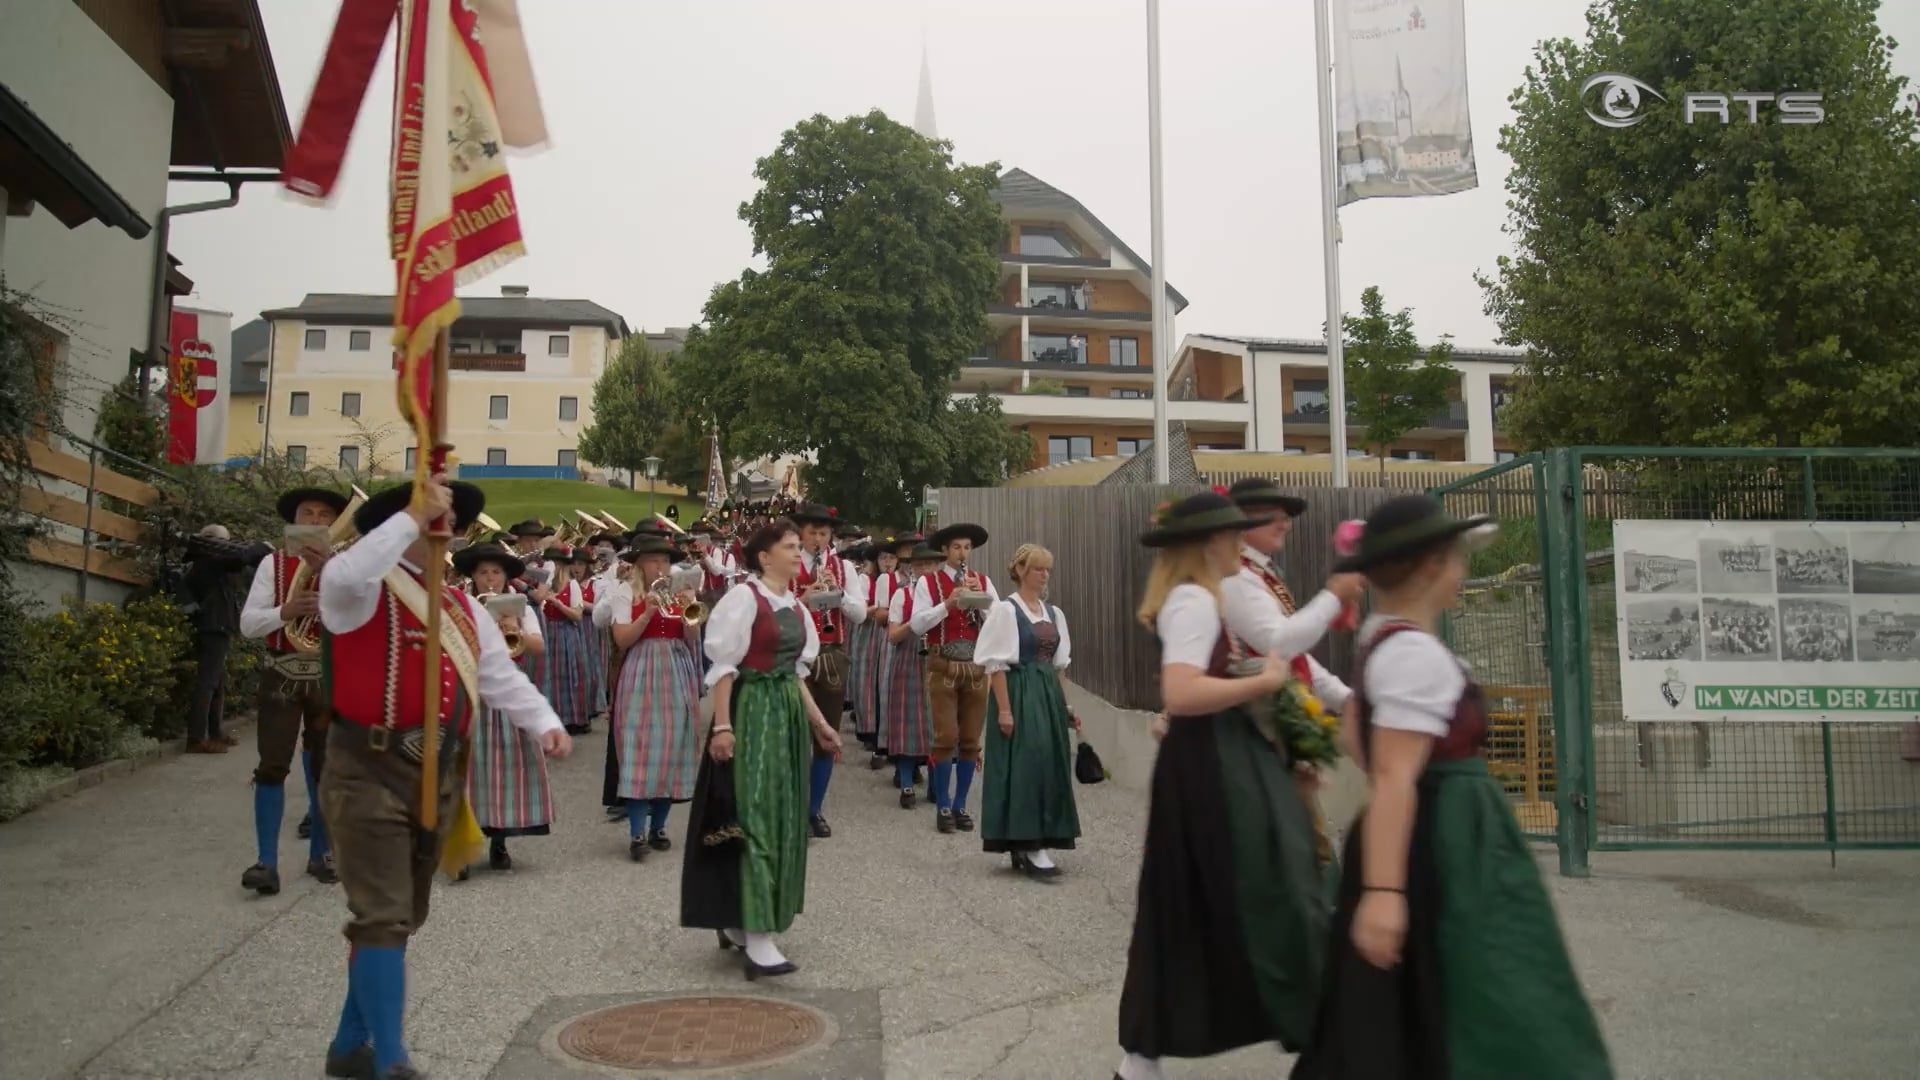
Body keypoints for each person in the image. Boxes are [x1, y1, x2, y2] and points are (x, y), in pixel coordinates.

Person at [1292, 495, 1612, 1079]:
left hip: (1431, 831)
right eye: (1456, 558)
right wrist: (1385, 894)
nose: (1462, 570)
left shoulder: (1380, 638)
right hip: (1441, 838)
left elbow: (1361, 745)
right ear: (1432, 566)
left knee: (1404, 1006)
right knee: (1492, 994)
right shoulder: (1413, 653)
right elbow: (1391, 776)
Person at [316, 475, 571, 1080]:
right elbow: (344, 576)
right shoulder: (359, 588)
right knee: (381, 913)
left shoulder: (460, 606)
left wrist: (545, 723)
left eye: (447, 519)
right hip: (364, 769)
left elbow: (497, 676)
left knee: (402, 912)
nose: (444, 527)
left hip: (434, 772)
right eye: (435, 516)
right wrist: (410, 516)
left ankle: (350, 1046)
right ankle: (391, 1062)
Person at [1114, 491, 1325, 1080]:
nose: (1242, 542)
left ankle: (1141, 1060)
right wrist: (1265, 682)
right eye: (1233, 534)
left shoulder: (1197, 599)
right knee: (1267, 890)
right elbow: (1181, 694)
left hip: (1207, 763)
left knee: (1190, 905)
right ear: (1208, 543)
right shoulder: (1193, 602)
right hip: (1210, 769)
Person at [681, 517, 841, 980]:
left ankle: (741, 918)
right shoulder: (742, 599)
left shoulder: (794, 604)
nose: (798, 552)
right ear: (764, 557)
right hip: (753, 713)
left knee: (785, 814)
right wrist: (723, 727)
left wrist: (821, 727)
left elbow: (795, 673)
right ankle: (756, 931)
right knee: (755, 814)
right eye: (789, 546)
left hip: (786, 714)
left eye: (798, 545)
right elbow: (725, 667)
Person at [1224, 476, 1367, 870]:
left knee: (1303, 836)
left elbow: (1294, 654)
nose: (1285, 523)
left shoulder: (1260, 575)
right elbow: (1278, 643)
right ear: (1241, 524)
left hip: (1280, 722)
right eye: (1274, 515)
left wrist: (1342, 696)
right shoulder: (1235, 577)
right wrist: (1333, 596)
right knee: (1296, 841)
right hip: (1258, 728)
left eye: (1286, 516)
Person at [235, 487, 350, 895]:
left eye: (324, 515)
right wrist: (286, 612)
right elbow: (248, 624)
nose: (316, 521)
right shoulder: (273, 562)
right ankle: (266, 862)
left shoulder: (350, 566)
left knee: (326, 765)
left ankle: (322, 853)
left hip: (328, 675)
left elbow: (365, 623)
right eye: (308, 513)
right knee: (271, 766)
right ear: (295, 519)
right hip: (281, 674)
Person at [976, 543, 1082, 879]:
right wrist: (1005, 711)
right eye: (1038, 568)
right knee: (1025, 765)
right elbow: (996, 666)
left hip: (1047, 694)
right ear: (1021, 570)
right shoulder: (1006, 611)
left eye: (1047, 568)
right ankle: (1029, 842)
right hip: (1019, 692)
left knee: (1051, 763)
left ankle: (1038, 839)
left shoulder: (1054, 613)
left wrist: (1066, 705)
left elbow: (1059, 666)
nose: (1044, 574)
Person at [453, 542, 553, 874]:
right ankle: (465, 848)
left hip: (508, 692)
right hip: (471, 691)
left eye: (496, 572)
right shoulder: (462, 602)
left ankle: (499, 843)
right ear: (473, 576)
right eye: (483, 572)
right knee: (467, 769)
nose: (490, 578)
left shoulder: (519, 606)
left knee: (505, 769)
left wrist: (514, 628)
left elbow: (538, 647)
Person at [609, 535, 703, 861]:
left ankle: (659, 826)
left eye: (664, 561)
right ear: (640, 565)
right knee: (638, 747)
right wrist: (647, 612)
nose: (660, 566)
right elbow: (622, 640)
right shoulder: (624, 593)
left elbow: (692, 636)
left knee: (673, 746)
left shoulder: (679, 591)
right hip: (641, 668)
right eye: (653, 561)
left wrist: (690, 606)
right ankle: (637, 832)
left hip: (677, 666)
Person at [908, 522, 999, 834]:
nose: (963, 553)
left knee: (971, 740)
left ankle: (961, 804)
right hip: (942, 665)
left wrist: (980, 602)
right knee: (946, 737)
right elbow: (917, 624)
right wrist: (948, 604)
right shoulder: (928, 583)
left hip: (975, 667)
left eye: (967, 548)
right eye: (957, 547)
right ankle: (943, 804)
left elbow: (999, 625)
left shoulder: (983, 582)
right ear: (945, 551)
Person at [789, 503, 868, 838]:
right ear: (800, 535)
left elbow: (860, 615)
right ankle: (790, 809)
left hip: (831, 654)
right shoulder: (786, 563)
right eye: (811, 533)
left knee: (825, 738)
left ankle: (814, 809)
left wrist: (837, 596)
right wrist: (804, 598)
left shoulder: (844, 567)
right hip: (793, 655)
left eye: (823, 534)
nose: (817, 540)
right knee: (793, 737)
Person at [179, 524, 266, 753]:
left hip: (217, 627)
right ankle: (197, 739)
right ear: (212, 542)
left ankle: (215, 733)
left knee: (216, 684)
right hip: (213, 627)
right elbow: (242, 557)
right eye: (224, 542)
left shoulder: (204, 563)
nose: (227, 546)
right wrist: (264, 547)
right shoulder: (207, 562)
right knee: (208, 683)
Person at [881, 541, 939, 805]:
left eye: (930, 564)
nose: (925, 568)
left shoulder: (945, 595)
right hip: (909, 659)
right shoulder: (902, 596)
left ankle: (937, 784)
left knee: (939, 724)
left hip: (939, 660)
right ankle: (906, 784)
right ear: (912, 568)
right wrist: (914, 624)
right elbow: (892, 635)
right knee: (906, 722)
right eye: (920, 564)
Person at [541, 544, 592, 735]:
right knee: (549, 676)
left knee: (569, 675)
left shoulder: (572, 586)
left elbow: (577, 615)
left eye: (556, 563)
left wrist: (557, 603)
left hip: (565, 633)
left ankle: (573, 719)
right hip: (548, 632)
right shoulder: (542, 586)